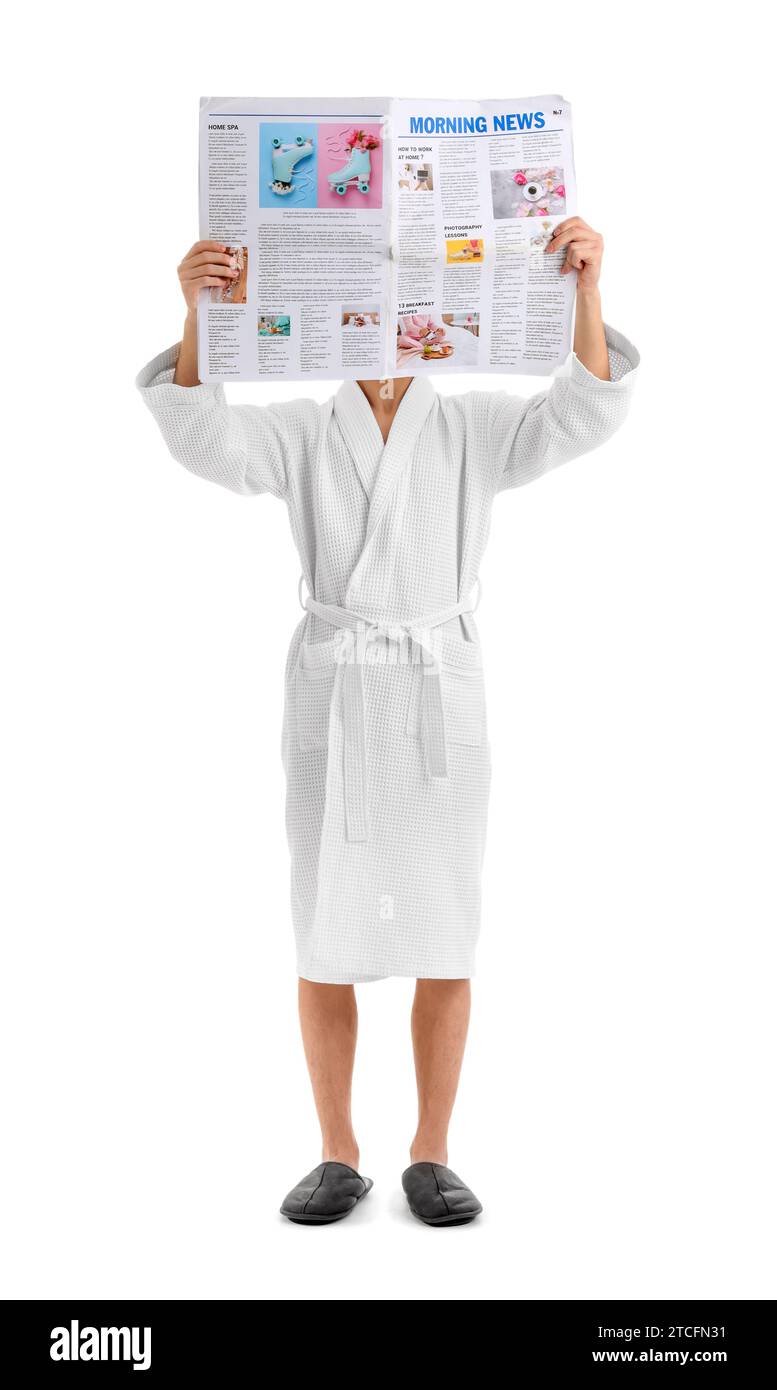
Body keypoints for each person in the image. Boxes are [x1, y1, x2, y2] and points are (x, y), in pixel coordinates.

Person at [137, 218, 639, 1227]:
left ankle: (432, 1152)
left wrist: (586, 291)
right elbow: (206, 442)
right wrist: (197, 313)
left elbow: (582, 414)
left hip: (434, 691)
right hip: (336, 688)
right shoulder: (300, 429)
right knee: (321, 924)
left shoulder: (472, 427)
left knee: (447, 926)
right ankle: (334, 1151)